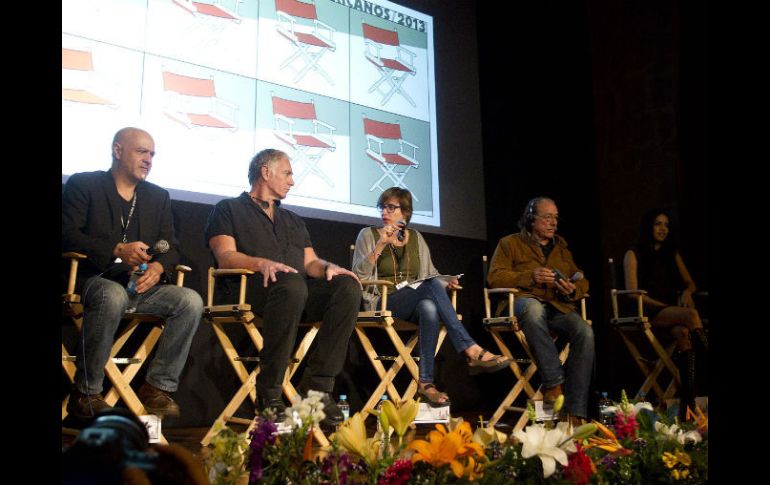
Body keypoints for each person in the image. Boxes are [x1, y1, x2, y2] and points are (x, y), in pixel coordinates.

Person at [204, 148, 361, 428]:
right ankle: (269, 393)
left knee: (346, 287)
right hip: (252, 290)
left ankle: (318, 388)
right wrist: (261, 263)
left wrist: (327, 268)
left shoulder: (293, 220)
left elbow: (310, 262)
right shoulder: (228, 209)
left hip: (295, 291)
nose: (292, 181)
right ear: (266, 172)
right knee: (291, 284)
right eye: (287, 173)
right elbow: (225, 257)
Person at [62, 127, 203, 420]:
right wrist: (117, 249)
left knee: (189, 301)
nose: (148, 159)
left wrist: (158, 266)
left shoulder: (157, 197)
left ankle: (156, 388)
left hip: (138, 287)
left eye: (152, 154)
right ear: (117, 151)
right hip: (93, 281)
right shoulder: (84, 184)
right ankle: (86, 393)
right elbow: (67, 234)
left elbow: (171, 248)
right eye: (141, 152)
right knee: (112, 295)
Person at [352, 187, 512, 407]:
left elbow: (431, 273)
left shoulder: (416, 238)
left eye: (391, 207)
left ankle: (425, 383)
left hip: (414, 300)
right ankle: (470, 349)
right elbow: (358, 275)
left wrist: (446, 281)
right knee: (430, 288)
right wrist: (381, 244)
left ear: (405, 213)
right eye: (383, 207)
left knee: (429, 307)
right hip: (383, 300)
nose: (384, 212)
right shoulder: (368, 234)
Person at [487, 196, 594, 423]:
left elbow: (582, 279)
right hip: (523, 300)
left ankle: (575, 412)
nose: (553, 222)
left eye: (555, 218)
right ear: (531, 219)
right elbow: (495, 277)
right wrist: (530, 277)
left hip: (556, 304)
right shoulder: (510, 243)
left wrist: (573, 288)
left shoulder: (562, 248)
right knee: (534, 309)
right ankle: (554, 383)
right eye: (547, 217)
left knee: (585, 332)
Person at [623, 208, 708, 418]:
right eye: (658, 224)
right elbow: (632, 292)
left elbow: (691, 283)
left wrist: (687, 292)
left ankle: (687, 404)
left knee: (684, 334)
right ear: (648, 226)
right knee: (691, 316)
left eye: (666, 225)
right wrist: (661, 304)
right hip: (646, 307)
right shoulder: (633, 253)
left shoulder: (671, 253)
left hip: (669, 309)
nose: (663, 229)